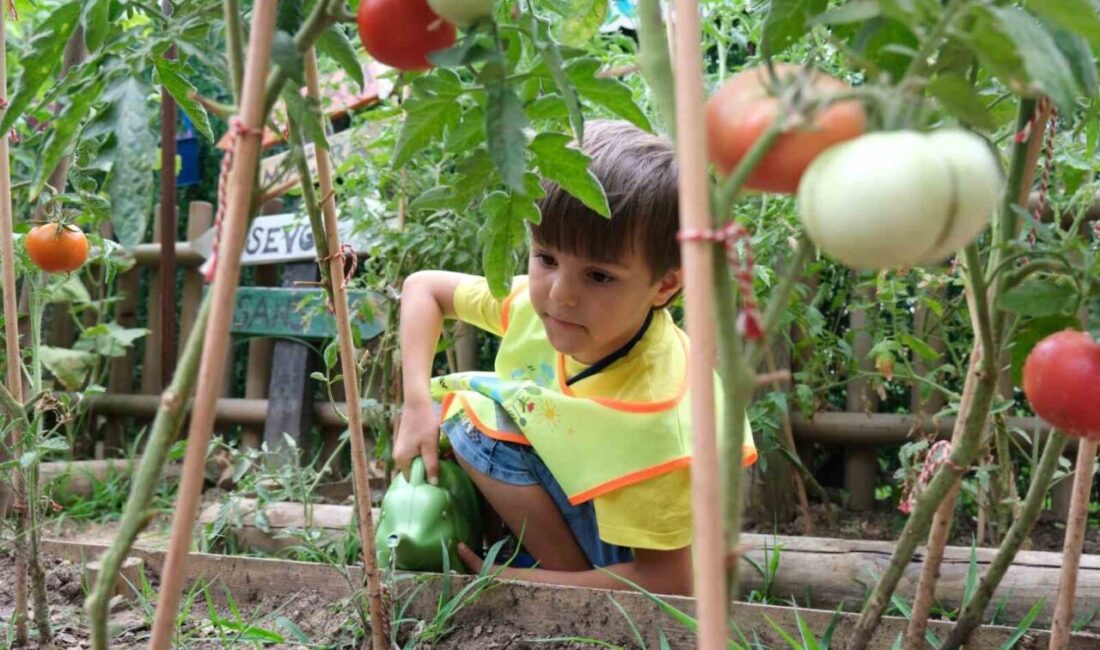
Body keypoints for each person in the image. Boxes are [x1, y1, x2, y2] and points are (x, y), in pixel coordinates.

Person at [394, 119, 757, 595]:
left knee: (478, 419)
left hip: (652, 554)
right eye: (546, 258)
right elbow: (423, 288)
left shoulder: (659, 416)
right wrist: (416, 403)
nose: (560, 295)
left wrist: (511, 581)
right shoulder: (539, 305)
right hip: (607, 512)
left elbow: (671, 584)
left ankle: (563, 587)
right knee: (466, 412)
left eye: (599, 276)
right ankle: (557, 573)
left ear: (665, 285)